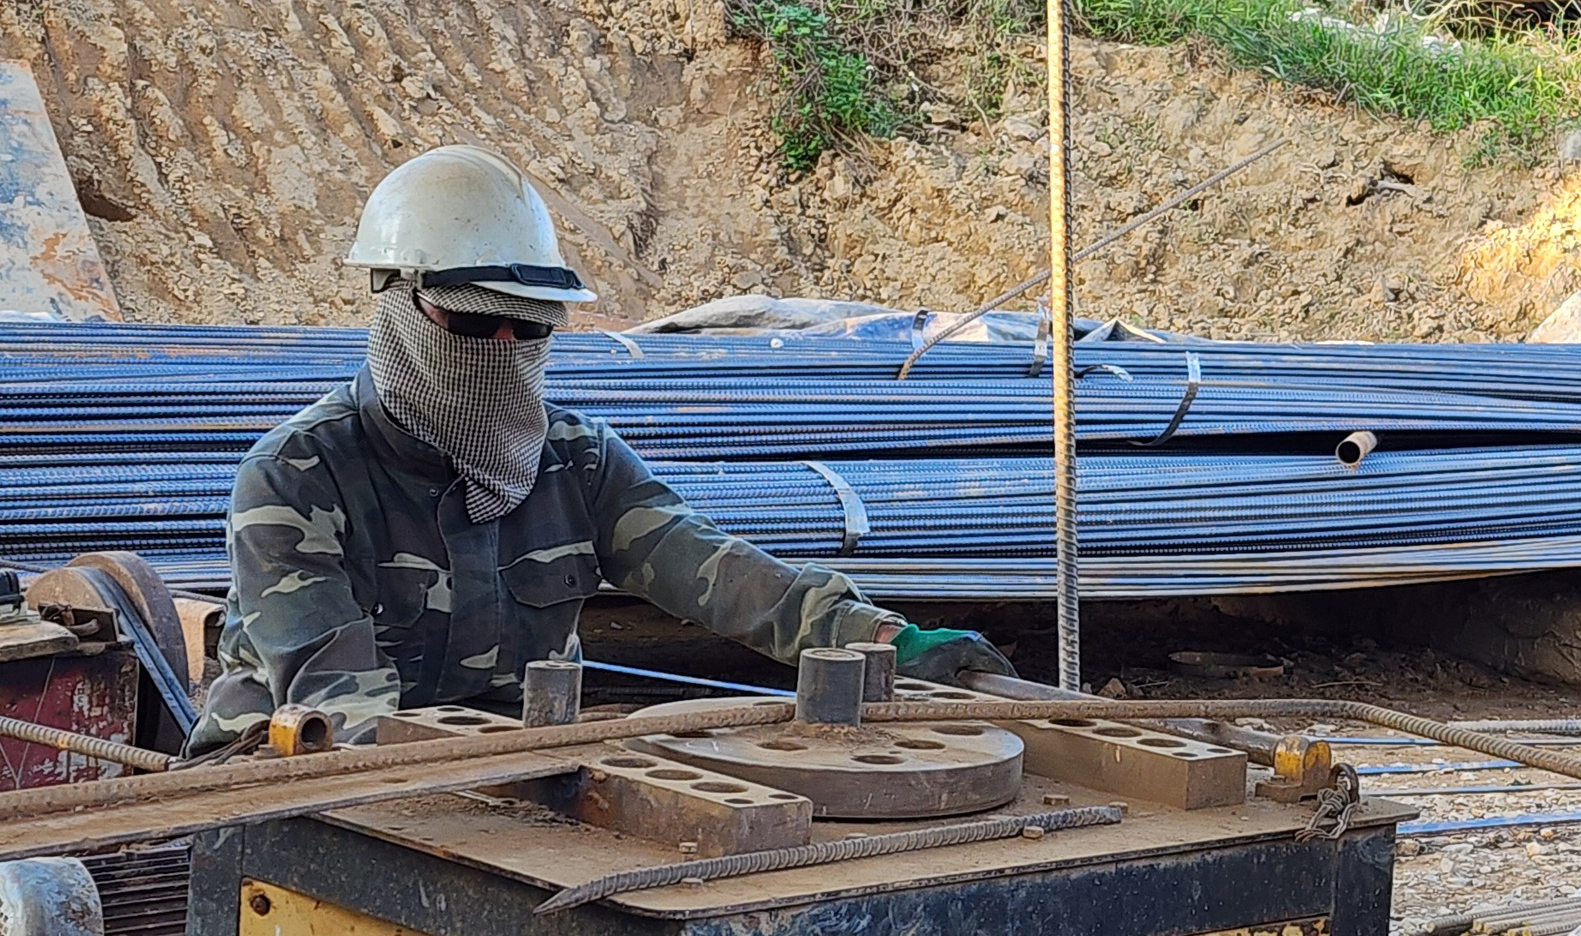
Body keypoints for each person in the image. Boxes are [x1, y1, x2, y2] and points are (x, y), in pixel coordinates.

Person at [192, 145, 1013, 752]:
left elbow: (720, 573)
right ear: (399, 305)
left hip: (509, 775)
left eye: (532, 326)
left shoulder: (576, 464)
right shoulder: (297, 479)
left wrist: (881, 640)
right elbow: (341, 714)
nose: (505, 345)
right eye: (478, 322)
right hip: (281, 782)